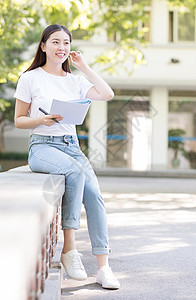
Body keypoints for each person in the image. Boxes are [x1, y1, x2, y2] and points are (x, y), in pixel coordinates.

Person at [14, 24, 120, 290]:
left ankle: (104, 267)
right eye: (55, 42)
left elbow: (107, 94)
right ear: (43, 46)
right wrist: (42, 120)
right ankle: (70, 250)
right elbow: (19, 120)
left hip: (71, 145)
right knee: (74, 172)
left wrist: (83, 66)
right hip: (42, 146)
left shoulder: (74, 80)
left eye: (66, 43)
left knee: (95, 195)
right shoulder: (30, 78)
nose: (62, 48)